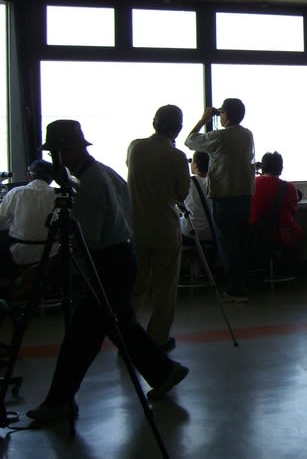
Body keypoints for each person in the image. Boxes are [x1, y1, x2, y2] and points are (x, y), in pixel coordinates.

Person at [26, 119, 188, 424]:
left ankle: (59, 401)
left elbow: (87, 239)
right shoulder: (104, 173)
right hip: (121, 255)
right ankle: (164, 371)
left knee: (82, 335)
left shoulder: (90, 184)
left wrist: (45, 268)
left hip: (107, 261)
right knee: (120, 325)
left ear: (70, 151)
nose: (55, 160)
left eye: (56, 153)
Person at [127, 105, 190, 353]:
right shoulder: (177, 157)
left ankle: (128, 335)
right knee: (165, 288)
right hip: (165, 227)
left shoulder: (135, 147)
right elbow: (181, 193)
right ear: (179, 128)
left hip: (136, 226)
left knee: (135, 285)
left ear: (154, 122)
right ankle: (158, 338)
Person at [185, 98, 255, 303]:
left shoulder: (220, 137)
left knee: (228, 245)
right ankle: (243, 286)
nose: (220, 116)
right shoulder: (247, 135)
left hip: (225, 197)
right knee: (241, 244)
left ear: (227, 115)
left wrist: (203, 119)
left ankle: (235, 290)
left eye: (221, 113)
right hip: (245, 197)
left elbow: (190, 141)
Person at [0, 160, 59, 274]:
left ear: (29, 176)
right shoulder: (58, 194)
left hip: (22, 254)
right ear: (51, 179)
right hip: (52, 253)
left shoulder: (16, 193)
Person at [249, 151, 303, 253]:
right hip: (282, 235)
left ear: (263, 167)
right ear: (281, 168)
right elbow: (293, 210)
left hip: (256, 235)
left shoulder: (251, 184)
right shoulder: (289, 187)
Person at [181, 151, 213, 243]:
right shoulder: (214, 182)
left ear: (195, 165)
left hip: (195, 234)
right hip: (214, 232)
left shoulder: (189, 182)